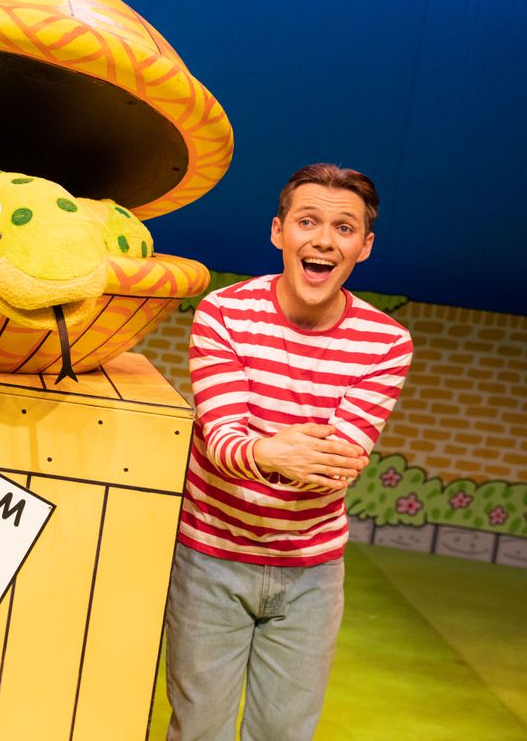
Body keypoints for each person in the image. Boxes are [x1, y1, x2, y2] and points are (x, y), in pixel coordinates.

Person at [164, 163, 413, 740]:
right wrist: (270, 454)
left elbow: (335, 468)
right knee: (199, 729)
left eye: (344, 228)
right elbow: (221, 439)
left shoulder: (386, 343)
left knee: (284, 733)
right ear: (279, 231)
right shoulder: (223, 314)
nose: (324, 240)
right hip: (209, 557)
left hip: (311, 572)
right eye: (308, 221)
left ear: (364, 247)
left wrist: (262, 450)